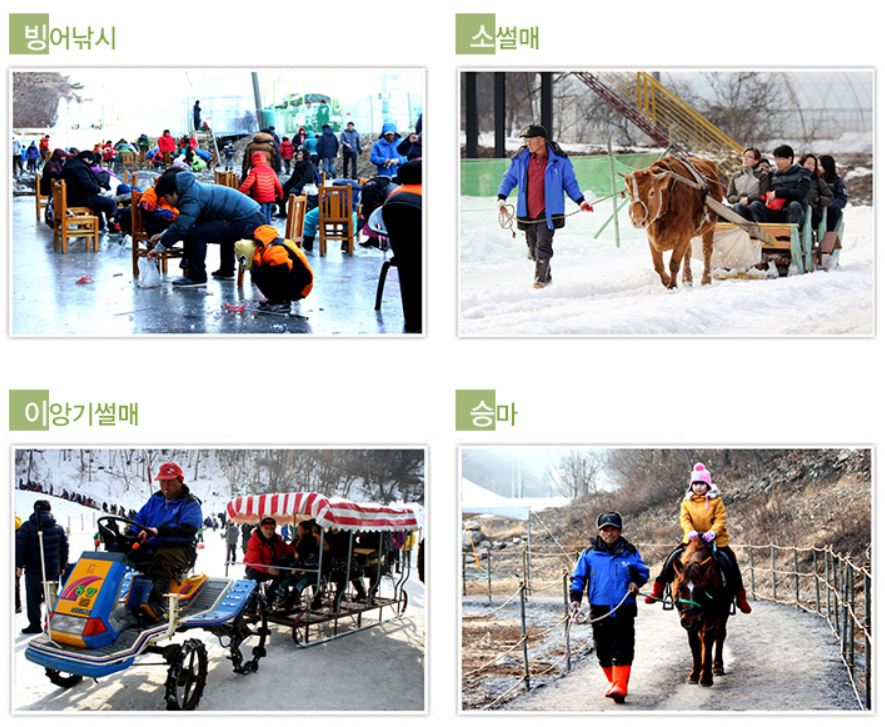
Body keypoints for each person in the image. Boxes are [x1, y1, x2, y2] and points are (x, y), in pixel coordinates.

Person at [644, 463, 752, 614]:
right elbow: (684, 519)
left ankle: (740, 597)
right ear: (691, 486)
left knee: (730, 562)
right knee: (671, 558)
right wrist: (690, 531)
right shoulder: (687, 502)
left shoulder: (716, 501)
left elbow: (720, 519)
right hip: (692, 540)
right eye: (695, 484)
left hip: (715, 540)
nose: (699, 487)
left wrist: (713, 532)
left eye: (702, 484)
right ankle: (659, 590)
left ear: (707, 485)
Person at [496, 125, 593, 288]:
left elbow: (570, 183)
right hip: (527, 211)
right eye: (526, 140)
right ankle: (547, 278)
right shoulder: (520, 159)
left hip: (548, 212)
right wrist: (501, 198)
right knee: (533, 248)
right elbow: (509, 179)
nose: (528, 143)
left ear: (541, 140)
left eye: (531, 139)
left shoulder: (560, 160)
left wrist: (581, 201)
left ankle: (539, 280)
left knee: (543, 244)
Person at [569, 512, 648, 703]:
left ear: (620, 531)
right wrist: (575, 599)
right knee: (603, 651)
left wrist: (636, 583)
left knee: (623, 647)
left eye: (613, 529)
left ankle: (620, 686)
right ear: (600, 532)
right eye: (605, 529)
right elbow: (578, 579)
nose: (609, 533)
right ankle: (615, 682)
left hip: (624, 608)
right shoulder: (589, 554)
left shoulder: (630, 552)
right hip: (599, 609)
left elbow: (643, 572)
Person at [147, 169, 266, 287]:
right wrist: (165, 234)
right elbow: (185, 221)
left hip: (248, 221)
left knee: (196, 234)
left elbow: (182, 227)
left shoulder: (190, 198)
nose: (168, 202)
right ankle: (226, 270)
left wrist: (159, 248)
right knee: (220, 229)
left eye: (167, 198)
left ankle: (197, 276)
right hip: (253, 218)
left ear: (175, 192)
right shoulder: (192, 190)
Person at [127, 462, 203, 621]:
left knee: (163, 557)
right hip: (153, 544)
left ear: (180, 480)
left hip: (180, 547)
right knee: (123, 552)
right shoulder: (155, 499)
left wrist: (159, 531)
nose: (165, 485)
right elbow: (139, 520)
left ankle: (157, 606)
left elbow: (187, 530)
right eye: (162, 481)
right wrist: (129, 536)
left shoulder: (190, 503)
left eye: (170, 481)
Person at [16, 501, 70, 634]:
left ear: (35, 510)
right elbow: (64, 548)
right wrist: (63, 566)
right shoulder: (58, 527)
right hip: (53, 569)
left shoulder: (27, 527)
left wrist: (18, 565)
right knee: (51, 596)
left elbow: (20, 547)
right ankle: (50, 624)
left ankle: (35, 625)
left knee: (33, 597)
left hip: (34, 569)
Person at [234, 224, 314, 313]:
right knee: (260, 271)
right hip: (299, 281)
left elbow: (281, 271)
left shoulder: (274, 250)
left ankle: (281, 302)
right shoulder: (271, 244)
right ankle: (277, 299)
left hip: (300, 286)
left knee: (258, 273)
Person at [733, 144, 812, 229]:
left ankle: (788, 237)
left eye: (780, 159)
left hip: (795, 213)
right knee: (755, 205)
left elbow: (801, 193)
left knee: (794, 205)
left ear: (790, 159)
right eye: (776, 159)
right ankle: (765, 235)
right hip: (776, 211)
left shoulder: (802, 174)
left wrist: (778, 193)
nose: (777, 162)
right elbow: (764, 194)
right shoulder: (773, 176)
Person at [60, 151, 122, 233]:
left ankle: (100, 226)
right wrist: (99, 189)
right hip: (79, 198)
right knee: (110, 203)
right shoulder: (79, 168)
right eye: (91, 161)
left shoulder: (72, 164)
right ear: (86, 159)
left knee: (98, 202)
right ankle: (113, 228)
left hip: (73, 196)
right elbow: (86, 184)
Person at [244, 516, 295, 597]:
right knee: (254, 580)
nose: (269, 531)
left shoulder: (276, 538)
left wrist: (297, 551)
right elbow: (253, 561)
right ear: (261, 529)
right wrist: (266, 569)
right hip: (256, 568)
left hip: (271, 567)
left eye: (271, 528)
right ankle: (253, 603)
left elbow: (285, 548)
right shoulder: (254, 541)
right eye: (266, 528)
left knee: (283, 573)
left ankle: (270, 597)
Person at [239, 151, 283, 224]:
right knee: (268, 214)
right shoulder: (271, 170)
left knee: (262, 215)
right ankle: (268, 228)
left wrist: (239, 192)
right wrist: (280, 195)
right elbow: (278, 184)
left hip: (261, 198)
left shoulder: (254, 171)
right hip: (271, 197)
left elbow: (247, 184)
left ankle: (264, 231)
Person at [799, 153, 834, 231]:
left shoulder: (817, 181)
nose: (811, 166)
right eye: (809, 164)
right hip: (797, 210)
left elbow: (830, 198)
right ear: (802, 164)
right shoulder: (795, 178)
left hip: (813, 212)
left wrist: (818, 199)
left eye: (813, 165)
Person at [818, 155, 848, 233]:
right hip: (816, 210)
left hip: (829, 212)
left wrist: (830, 203)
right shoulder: (814, 180)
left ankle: (829, 233)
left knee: (835, 208)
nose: (817, 168)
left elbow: (842, 198)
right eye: (817, 165)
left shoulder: (836, 182)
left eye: (820, 166)